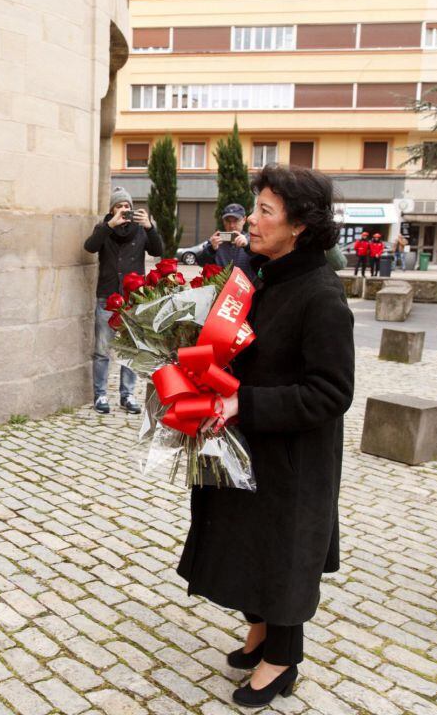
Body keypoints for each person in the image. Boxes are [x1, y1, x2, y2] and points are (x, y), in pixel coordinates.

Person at [177, 165, 354, 708]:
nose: (250, 221)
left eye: (265, 212)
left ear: (299, 225)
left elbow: (331, 393)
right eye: (254, 210)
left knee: (282, 554)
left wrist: (242, 402)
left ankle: (283, 659)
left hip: (290, 458)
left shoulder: (322, 295)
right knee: (246, 545)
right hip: (247, 446)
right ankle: (258, 635)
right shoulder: (260, 273)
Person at [84, 187, 163, 415]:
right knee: (102, 350)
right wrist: (109, 225)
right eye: (119, 206)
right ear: (112, 210)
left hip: (132, 299)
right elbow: (90, 247)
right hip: (107, 298)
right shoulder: (103, 229)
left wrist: (150, 227)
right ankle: (100, 395)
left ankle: (127, 395)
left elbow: (158, 250)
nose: (124, 211)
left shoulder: (140, 230)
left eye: (127, 206)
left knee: (131, 350)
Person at [197, 203, 256, 282]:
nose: (231, 225)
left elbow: (262, 262)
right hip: (221, 290)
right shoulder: (217, 240)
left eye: (236, 221)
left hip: (245, 290)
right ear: (223, 221)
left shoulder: (252, 239)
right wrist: (211, 249)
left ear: (244, 220)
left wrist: (247, 246)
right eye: (228, 221)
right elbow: (200, 262)